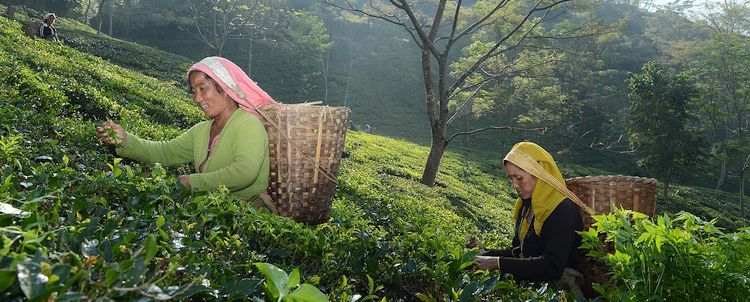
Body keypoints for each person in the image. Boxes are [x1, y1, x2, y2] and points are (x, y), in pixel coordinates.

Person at [96, 56, 278, 206]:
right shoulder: (201, 131)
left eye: (203, 89)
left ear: (224, 89)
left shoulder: (247, 124)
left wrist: (192, 182)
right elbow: (164, 152)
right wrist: (125, 140)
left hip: (248, 215)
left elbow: (245, 172)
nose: (197, 98)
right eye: (193, 91)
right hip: (212, 210)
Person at [471, 142, 593, 296]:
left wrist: (498, 263)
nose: (514, 185)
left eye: (519, 178)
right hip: (532, 288)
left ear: (539, 174)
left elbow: (552, 266)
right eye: (511, 178)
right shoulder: (526, 206)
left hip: (561, 291)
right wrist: (484, 254)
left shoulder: (562, 210)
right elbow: (520, 253)